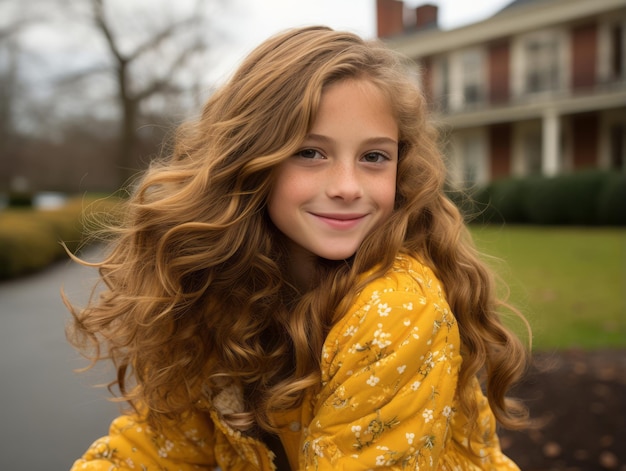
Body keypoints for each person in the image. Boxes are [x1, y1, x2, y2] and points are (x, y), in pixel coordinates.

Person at [66, 26, 531, 471]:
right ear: (248, 160)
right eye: (311, 152)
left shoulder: (396, 306)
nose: (348, 187)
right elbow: (159, 447)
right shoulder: (227, 291)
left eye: (374, 157)